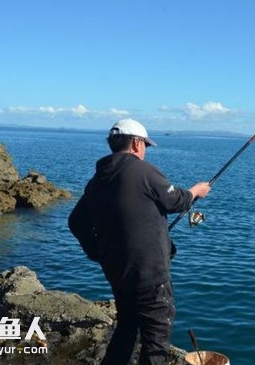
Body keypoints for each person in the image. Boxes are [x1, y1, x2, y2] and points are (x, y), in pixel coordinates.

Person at [69, 118, 210, 365]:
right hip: (150, 277)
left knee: (126, 329)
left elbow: (76, 222)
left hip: (118, 272)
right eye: (145, 145)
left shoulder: (98, 180)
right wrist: (196, 191)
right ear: (136, 144)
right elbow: (176, 201)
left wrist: (98, 252)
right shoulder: (143, 171)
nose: (145, 151)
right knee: (156, 341)